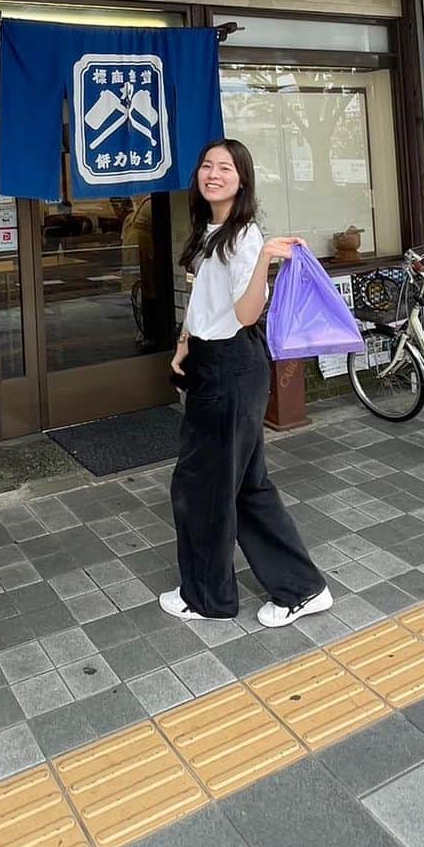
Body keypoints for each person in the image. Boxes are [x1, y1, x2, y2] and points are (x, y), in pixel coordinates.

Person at [161, 138, 332, 627]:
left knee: (201, 487)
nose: (213, 174)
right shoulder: (211, 229)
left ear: (242, 180)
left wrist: (263, 262)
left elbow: (245, 313)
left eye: (226, 168)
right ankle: (303, 588)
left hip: (231, 368)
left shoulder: (245, 237)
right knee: (245, 486)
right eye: (207, 165)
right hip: (216, 362)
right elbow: (205, 302)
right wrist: (184, 341)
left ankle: (208, 598)